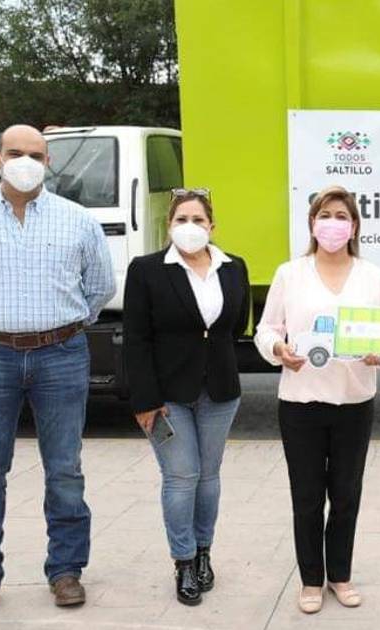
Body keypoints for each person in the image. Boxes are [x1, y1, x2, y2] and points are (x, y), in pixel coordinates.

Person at [0, 124, 115, 625]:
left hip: (61, 354)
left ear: (49, 162)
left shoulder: (77, 220)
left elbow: (100, 287)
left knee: (65, 469)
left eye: (36, 154)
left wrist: (62, 325)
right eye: (16, 152)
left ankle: (66, 571)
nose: (26, 162)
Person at [256, 185, 380, 614]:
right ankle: (311, 580)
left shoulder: (371, 276)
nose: (333, 223)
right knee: (308, 497)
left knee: (347, 494)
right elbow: (266, 329)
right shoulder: (290, 273)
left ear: (354, 226)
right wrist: (278, 349)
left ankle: (341, 576)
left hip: (354, 401)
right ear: (313, 223)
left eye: (342, 216)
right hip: (301, 401)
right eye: (325, 215)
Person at [122, 189, 250, 606]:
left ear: (212, 226)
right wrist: (144, 400)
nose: (190, 227)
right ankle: (183, 561)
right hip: (166, 396)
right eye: (181, 219)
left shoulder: (234, 267)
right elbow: (136, 340)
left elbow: (237, 325)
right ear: (169, 225)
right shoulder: (146, 270)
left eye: (198, 219)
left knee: (209, 477)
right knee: (181, 477)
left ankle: (204, 552)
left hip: (220, 392)